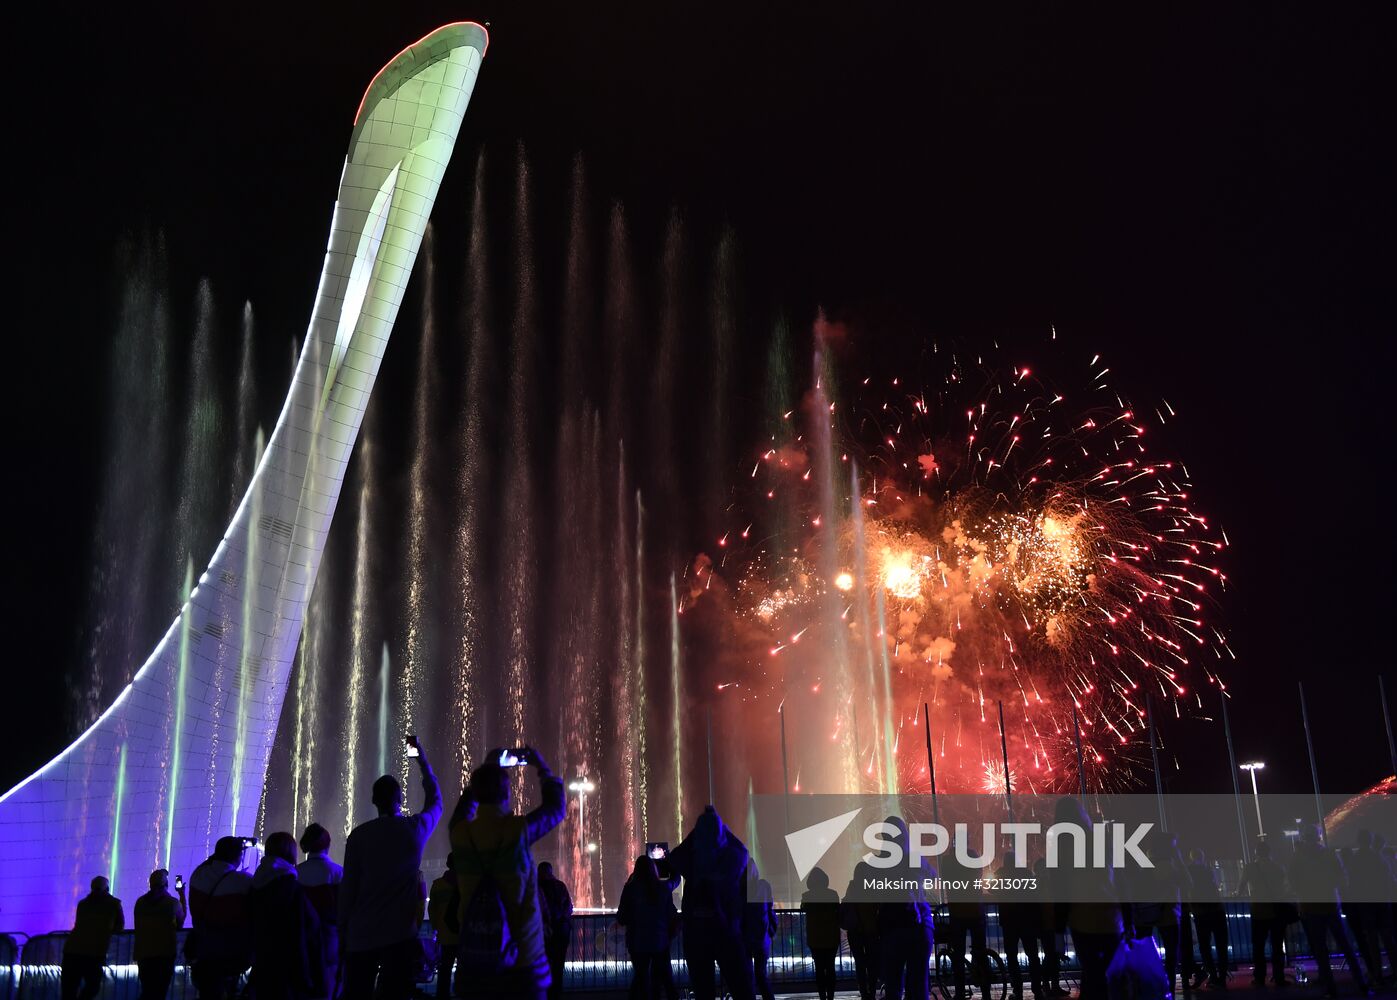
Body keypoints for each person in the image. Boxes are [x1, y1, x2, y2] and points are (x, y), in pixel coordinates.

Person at [451, 746, 565, 999]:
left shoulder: (459, 834)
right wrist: (540, 764)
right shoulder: (518, 830)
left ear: (477, 794)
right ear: (506, 793)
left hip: (475, 958)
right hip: (522, 961)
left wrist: (486, 769)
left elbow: (461, 812)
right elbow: (556, 809)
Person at [340, 735, 443, 1000]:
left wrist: (343, 931)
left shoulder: (358, 837)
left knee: (357, 993)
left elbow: (348, 889)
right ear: (400, 798)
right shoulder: (414, 830)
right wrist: (421, 759)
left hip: (361, 934)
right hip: (399, 935)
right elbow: (436, 801)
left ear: (374, 800)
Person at [667, 805, 756, 1000]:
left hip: (697, 933)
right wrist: (723, 829)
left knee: (703, 989)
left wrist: (696, 834)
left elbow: (674, 856)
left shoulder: (692, 864)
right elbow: (744, 851)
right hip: (727, 930)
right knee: (741, 986)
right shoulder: (731, 860)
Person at [1049, 797, 1122, 1000]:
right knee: (1109, 973)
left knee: (1091, 971)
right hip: (1112, 917)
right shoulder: (1102, 839)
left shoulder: (1061, 848)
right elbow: (1120, 879)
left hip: (1082, 918)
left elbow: (1060, 890)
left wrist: (1058, 931)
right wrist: (1129, 917)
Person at [1289, 824, 1369, 998]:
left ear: (1304, 837)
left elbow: (1293, 882)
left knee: (1320, 950)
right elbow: (1341, 878)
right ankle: (1361, 984)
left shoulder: (1298, 858)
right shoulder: (1329, 854)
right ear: (1318, 836)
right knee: (1346, 946)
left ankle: (1330, 988)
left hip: (1310, 907)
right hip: (1330, 905)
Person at [251, 831, 324, 1000]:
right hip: (290, 965)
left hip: (261, 963)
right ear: (291, 852)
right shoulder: (290, 885)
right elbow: (310, 928)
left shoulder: (254, 885)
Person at [875, 816, 934, 1000]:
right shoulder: (915, 858)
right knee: (919, 982)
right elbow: (932, 876)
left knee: (893, 984)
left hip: (892, 926)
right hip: (921, 926)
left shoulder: (879, 864)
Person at [189, 837, 254, 1000]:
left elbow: (207, 864)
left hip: (203, 950)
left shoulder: (198, 876)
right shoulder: (243, 881)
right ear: (238, 856)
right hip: (231, 954)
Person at [616, 856, 680, 1000]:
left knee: (641, 978)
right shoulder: (662, 889)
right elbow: (676, 880)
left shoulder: (630, 889)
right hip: (660, 940)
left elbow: (621, 916)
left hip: (637, 941)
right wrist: (669, 865)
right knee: (664, 978)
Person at [297, 823, 344, 1000]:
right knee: (328, 984)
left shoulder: (295, 873)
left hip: (301, 937)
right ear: (328, 844)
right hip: (329, 936)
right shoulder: (338, 873)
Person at [61, 876, 125, 1000]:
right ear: (107, 889)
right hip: (94, 952)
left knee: (69, 990)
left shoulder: (83, 903)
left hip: (72, 951)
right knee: (93, 986)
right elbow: (119, 926)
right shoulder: (114, 904)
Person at [1346, 830, 1396, 988]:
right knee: (1389, 940)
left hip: (1366, 905)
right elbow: (1388, 880)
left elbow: (1352, 883)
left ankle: (1377, 974)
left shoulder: (1355, 860)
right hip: (1381, 903)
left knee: (1372, 942)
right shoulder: (1379, 858)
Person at [1238, 839, 1289, 987]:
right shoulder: (1278, 867)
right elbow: (1284, 887)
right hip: (1276, 911)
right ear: (1269, 852)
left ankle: (1260, 978)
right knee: (1277, 946)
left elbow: (1241, 887)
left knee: (1258, 947)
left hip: (1258, 911)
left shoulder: (1249, 867)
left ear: (1256, 853)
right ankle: (1279, 977)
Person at [942, 848, 992, 1000]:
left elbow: (946, 879)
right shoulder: (973, 856)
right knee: (981, 951)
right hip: (976, 910)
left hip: (957, 912)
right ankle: (985, 991)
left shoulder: (948, 860)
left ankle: (959, 992)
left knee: (958, 954)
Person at [997, 844, 1044, 1000]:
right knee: (1033, 955)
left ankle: (1017, 990)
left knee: (1012, 956)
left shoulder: (1001, 874)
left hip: (1009, 920)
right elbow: (1034, 894)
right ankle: (1037, 988)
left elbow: (991, 888)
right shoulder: (1025, 873)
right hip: (1026, 919)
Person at [134, 869, 186, 1000]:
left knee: (147, 990)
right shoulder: (172, 903)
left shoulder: (140, 903)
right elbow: (180, 923)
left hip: (143, 954)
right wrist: (182, 895)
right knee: (160, 991)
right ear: (166, 884)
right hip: (164, 954)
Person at [1186, 848, 1228, 990]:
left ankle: (1212, 975)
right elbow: (1216, 886)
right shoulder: (1209, 870)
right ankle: (1222, 978)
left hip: (1200, 912)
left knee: (1205, 946)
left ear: (1191, 858)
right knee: (1222, 945)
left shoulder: (1189, 871)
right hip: (1217, 910)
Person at [841, 861, 881, 1000]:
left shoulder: (853, 886)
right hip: (871, 930)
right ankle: (872, 992)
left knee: (860, 963)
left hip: (855, 930)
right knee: (872, 963)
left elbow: (846, 903)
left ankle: (864, 992)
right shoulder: (873, 886)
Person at [801, 867, 841, 1000]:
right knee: (830, 967)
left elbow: (803, 909)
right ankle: (831, 996)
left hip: (815, 938)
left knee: (819, 968)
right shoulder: (833, 894)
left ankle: (822, 996)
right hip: (831, 937)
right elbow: (838, 910)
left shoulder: (807, 896)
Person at [538, 862, 574, 1000]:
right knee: (558, 964)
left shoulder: (536, 888)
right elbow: (568, 907)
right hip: (561, 932)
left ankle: (545, 991)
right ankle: (556, 992)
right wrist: (562, 919)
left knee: (544, 963)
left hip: (543, 933)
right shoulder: (560, 886)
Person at [428, 857, 461, 999]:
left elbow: (432, 911)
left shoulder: (437, 885)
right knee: (464, 969)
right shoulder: (465, 885)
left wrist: (437, 928)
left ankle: (443, 995)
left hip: (445, 935)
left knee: (445, 969)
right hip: (462, 935)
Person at [743, 866, 778, 1000]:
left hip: (746, 937)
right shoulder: (764, 885)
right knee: (760, 974)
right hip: (762, 937)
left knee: (747, 975)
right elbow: (769, 907)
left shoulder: (741, 889)